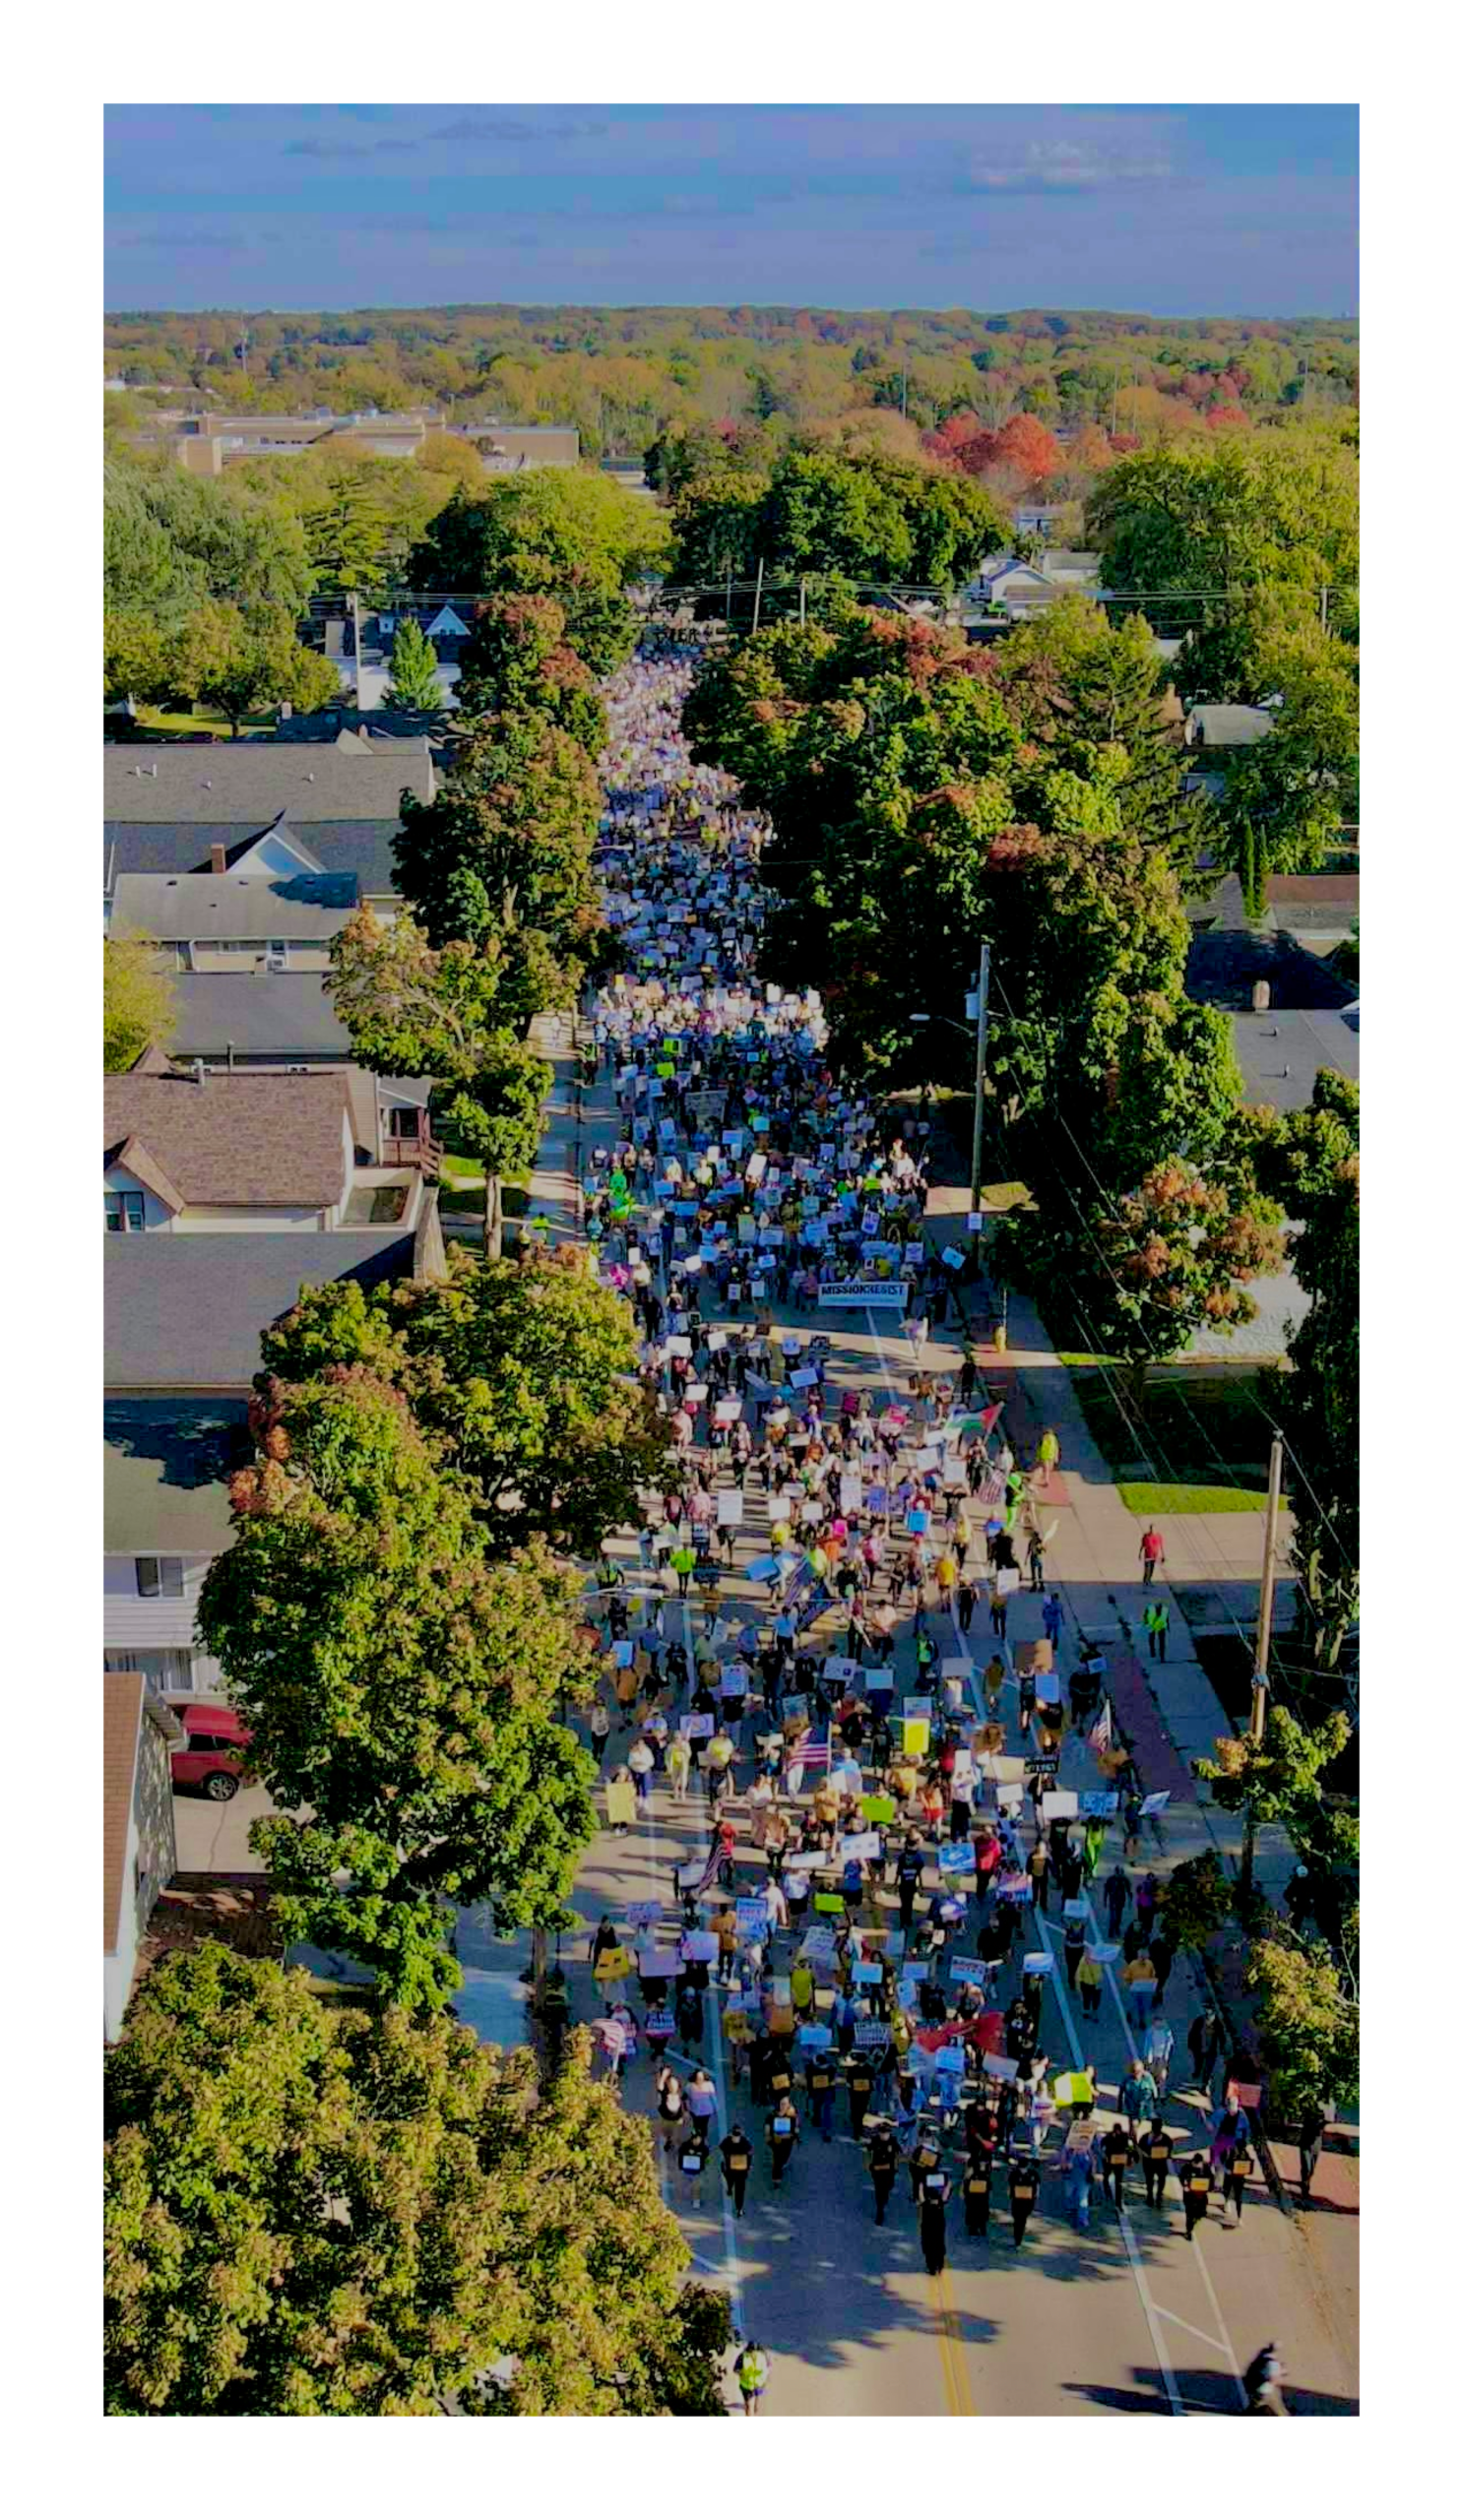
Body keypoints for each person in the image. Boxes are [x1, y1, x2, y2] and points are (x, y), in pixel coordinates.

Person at [868, 2121, 901, 2226]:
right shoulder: (875, 2140)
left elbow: (897, 2154)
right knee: (879, 2191)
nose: (884, 2135)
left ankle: (883, 2201)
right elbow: (868, 2151)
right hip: (877, 2170)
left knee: (888, 2187)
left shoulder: (893, 2141)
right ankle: (880, 2212)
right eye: (882, 2132)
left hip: (889, 2171)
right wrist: (869, 2165)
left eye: (886, 2133)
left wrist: (896, 2166)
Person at [1297, 2102, 1328, 2205]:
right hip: (1305, 2143)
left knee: (1311, 2169)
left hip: (1315, 2145)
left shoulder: (1322, 2120)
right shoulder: (1307, 2113)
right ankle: (1304, 2187)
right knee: (1307, 2166)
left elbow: (1326, 2123)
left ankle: (1306, 2183)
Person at [1139, 2116, 1175, 2209]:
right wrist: (1145, 2154)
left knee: (1161, 2180)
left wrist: (1165, 2154)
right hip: (1149, 2163)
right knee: (1149, 2181)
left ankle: (1159, 2197)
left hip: (1161, 2164)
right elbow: (1140, 2147)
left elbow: (1170, 2149)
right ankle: (1150, 2197)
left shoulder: (1166, 2138)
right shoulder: (1146, 2137)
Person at [720, 2122, 754, 2219]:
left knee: (740, 2190)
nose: (736, 2138)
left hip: (741, 2172)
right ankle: (730, 2189)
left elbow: (750, 2153)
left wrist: (749, 2165)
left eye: (737, 2135)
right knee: (729, 2181)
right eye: (734, 2135)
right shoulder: (727, 2141)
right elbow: (721, 2148)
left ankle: (739, 2208)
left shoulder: (745, 2142)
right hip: (730, 2170)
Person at [766, 2095, 800, 2189]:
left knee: (784, 2157)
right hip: (776, 2142)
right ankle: (776, 2179)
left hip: (787, 2142)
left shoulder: (792, 2115)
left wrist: (795, 2136)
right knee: (777, 2160)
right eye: (781, 2104)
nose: (783, 2106)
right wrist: (768, 2135)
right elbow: (768, 2124)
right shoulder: (773, 2114)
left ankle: (782, 2164)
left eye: (785, 2104)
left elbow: (795, 2128)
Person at [920, 2169, 949, 2275]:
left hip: (927, 2215)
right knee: (939, 2238)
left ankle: (931, 2266)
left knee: (928, 2239)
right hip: (939, 2215)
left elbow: (921, 2198)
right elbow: (945, 2197)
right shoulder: (943, 2178)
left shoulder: (925, 2178)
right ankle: (940, 2264)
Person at [1187, 2004, 1223, 2094]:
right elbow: (1192, 2033)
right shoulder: (1199, 2021)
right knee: (1198, 2063)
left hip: (1211, 2050)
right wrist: (1190, 2044)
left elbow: (1221, 2036)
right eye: (1207, 2016)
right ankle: (1197, 2072)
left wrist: (1222, 2047)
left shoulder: (1217, 2023)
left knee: (1208, 2069)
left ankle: (1204, 2086)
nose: (1209, 2019)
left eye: (1211, 2016)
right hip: (1199, 2049)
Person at [1009, 2151, 1041, 2246]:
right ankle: (1018, 2238)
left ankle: (1017, 2238)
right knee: (1021, 2219)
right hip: (1026, 2200)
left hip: (1019, 2200)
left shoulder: (1015, 2173)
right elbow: (1038, 2186)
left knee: (1018, 2219)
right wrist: (1036, 2195)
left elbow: (1010, 2186)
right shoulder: (1033, 2173)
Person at [1180, 2151, 1213, 2242]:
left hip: (1201, 2195)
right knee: (1189, 2213)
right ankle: (1189, 2231)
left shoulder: (1206, 2168)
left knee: (1201, 2213)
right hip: (1189, 2195)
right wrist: (1184, 2185)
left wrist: (1209, 2188)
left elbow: (1211, 2179)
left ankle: (1194, 2221)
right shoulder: (1187, 2167)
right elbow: (1182, 2177)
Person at [1101, 2120, 1131, 2214]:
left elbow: (1128, 2148)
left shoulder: (1125, 2136)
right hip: (1109, 2161)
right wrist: (1104, 2156)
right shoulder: (1108, 2137)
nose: (1117, 2133)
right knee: (1106, 2176)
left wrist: (1129, 2159)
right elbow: (1102, 2146)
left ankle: (1118, 2202)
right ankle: (1106, 2191)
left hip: (1119, 2161)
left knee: (1119, 2182)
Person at [734, 2339, 770, 2418]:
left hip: (752, 2385)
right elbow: (768, 2368)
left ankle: (753, 2409)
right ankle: (752, 2411)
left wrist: (741, 2373)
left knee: (751, 2407)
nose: (753, 2353)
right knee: (750, 2405)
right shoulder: (762, 2356)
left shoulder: (744, 2356)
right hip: (753, 2385)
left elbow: (735, 2370)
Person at [1223, 2137, 1255, 2225]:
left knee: (1238, 2197)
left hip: (1239, 2178)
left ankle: (1239, 2217)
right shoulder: (1230, 2151)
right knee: (1227, 2189)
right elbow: (1224, 2162)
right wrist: (1227, 2170)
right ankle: (1226, 2202)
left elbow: (1248, 2164)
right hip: (1230, 2176)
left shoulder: (1245, 2153)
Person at [963, 2148, 992, 2238]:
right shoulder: (973, 2168)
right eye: (982, 2161)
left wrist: (990, 2192)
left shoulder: (988, 2168)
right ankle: (973, 2228)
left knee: (983, 2209)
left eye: (985, 2161)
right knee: (973, 2209)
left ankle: (982, 2227)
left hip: (983, 2193)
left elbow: (988, 2181)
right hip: (973, 2193)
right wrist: (962, 2191)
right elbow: (966, 2179)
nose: (983, 2163)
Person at [807, 2048, 837, 2141]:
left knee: (817, 2106)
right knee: (826, 2111)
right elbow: (833, 2080)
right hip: (828, 2092)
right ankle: (826, 2131)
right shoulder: (831, 2069)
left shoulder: (812, 2069)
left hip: (816, 2092)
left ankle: (816, 2120)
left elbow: (808, 2079)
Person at [1076, 1949, 1104, 2020]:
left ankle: (1094, 2012)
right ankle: (1086, 2011)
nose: (1086, 1956)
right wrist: (1078, 1985)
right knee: (1086, 1999)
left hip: (1096, 1984)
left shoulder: (1097, 1962)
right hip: (1086, 1984)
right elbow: (1079, 1973)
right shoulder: (1083, 1961)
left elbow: (1099, 1976)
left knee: (1096, 2000)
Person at [1141, 1598, 1170, 1663]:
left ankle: (1161, 1655)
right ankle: (1153, 1652)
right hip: (1154, 1626)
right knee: (1154, 1640)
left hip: (1159, 1626)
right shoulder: (1151, 1608)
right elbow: (1145, 1616)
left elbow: (1166, 1617)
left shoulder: (1163, 1609)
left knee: (1160, 1641)